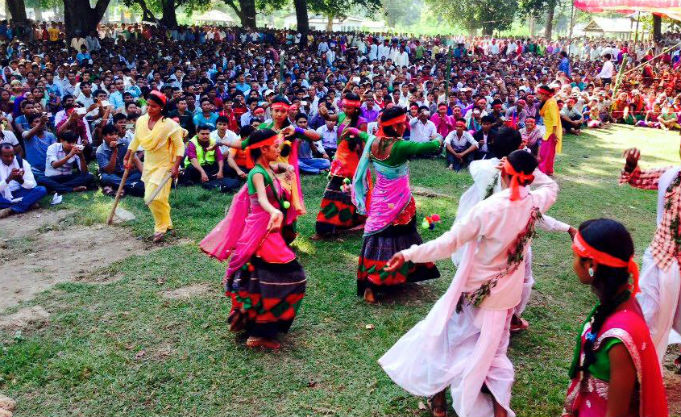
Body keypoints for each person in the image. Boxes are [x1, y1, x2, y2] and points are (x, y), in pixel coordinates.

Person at [379, 150, 558, 417]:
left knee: (446, 340)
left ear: (503, 171)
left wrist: (408, 254)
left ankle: (438, 399)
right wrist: (529, 168)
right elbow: (552, 185)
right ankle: (499, 411)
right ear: (529, 178)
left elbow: (448, 243)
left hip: (476, 293)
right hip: (505, 299)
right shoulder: (535, 203)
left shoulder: (488, 209)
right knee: (495, 355)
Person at [199, 129, 306, 350]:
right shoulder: (257, 173)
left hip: (268, 231)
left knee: (258, 278)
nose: (280, 149)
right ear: (263, 149)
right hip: (262, 233)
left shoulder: (268, 167)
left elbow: (282, 167)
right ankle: (258, 334)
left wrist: (288, 168)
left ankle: (246, 320)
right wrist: (273, 211)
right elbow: (262, 198)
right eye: (275, 146)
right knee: (294, 277)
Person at [562, 218, 668, 417]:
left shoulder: (619, 339)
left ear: (591, 265)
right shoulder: (620, 302)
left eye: (575, 257)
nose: (574, 264)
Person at [352, 106, 441, 303]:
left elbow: (362, 136)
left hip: (380, 201)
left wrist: (353, 131)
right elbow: (430, 147)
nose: (405, 126)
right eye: (403, 123)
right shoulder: (401, 147)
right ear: (396, 126)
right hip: (399, 201)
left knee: (379, 237)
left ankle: (375, 281)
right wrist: (439, 139)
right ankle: (378, 281)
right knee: (403, 235)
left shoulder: (373, 142)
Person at [619, 147, 681, 366]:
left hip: (678, 265)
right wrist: (630, 165)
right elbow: (638, 178)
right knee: (649, 311)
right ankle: (640, 362)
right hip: (659, 256)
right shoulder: (672, 174)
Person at [124, 91, 186, 243]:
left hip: (165, 164)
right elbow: (136, 140)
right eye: (148, 105)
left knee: (151, 197)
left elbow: (180, 147)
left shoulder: (170, 125)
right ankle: (168, 222)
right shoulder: (141, 121)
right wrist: (128, 155)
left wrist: (176, 166)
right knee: (160, 198)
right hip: (149, 164)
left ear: (162, 108)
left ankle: (160, 227)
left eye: (154, 106)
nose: (149, 109)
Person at [315, 92, 369, 238]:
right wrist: (324, 112)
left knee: (343, 194)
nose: (346, 110)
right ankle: (328, 228)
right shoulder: (341, 116)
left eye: (349, 108)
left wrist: (363, 165)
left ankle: (331, 228)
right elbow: (328, 118)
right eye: (344, 107)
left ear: (356, 109)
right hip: (339, 161)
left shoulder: (362, 122)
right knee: (337, 194)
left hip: (351, 164)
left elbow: (363, 144)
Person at [183, 124, 241, 192]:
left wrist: (220, 171)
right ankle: (212, 179)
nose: (205, 136)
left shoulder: (213, 141)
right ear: (197, 133)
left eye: (207, 134)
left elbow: (219, 157)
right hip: (197, 168)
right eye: (203, 134)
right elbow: (193, 160)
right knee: (191, 168)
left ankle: (213, 178)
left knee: (227, 166)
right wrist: (202, 172)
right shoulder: (192, 143)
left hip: (210, 166)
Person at [0, 143, 47, 218]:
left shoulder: (22, 163)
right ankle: (28, 203)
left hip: (20, 192)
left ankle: (11, 209)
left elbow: (32, 185)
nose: (10, 158)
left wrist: (21, 181)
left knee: (41, 189)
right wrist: (8, 179)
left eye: (12, 155)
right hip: (3, 195)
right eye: (6, 156)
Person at [97, 124, 144, 197]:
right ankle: (132, 186)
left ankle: (119, 187)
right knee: (106, 178)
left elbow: (135, 159)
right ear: (104, 137)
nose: (114, 137)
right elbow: (109, 171)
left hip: (125, 173)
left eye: (116, 134)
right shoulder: (100, 151)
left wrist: (145, 175)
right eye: (111, 135)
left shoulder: (124, 143)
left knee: (141, 171)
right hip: (112, 175)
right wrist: (114, 152)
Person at [536, 85, 562, 176]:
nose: (537, 95)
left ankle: (545, 170)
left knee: (545, 152)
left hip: (552, 131)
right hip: (547, 129)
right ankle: (548, 170)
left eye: (538, 94)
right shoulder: (547, 101)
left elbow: (555, 119)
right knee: (547, 151)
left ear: (543, 94)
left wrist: (554, 134)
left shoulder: (551, 103)